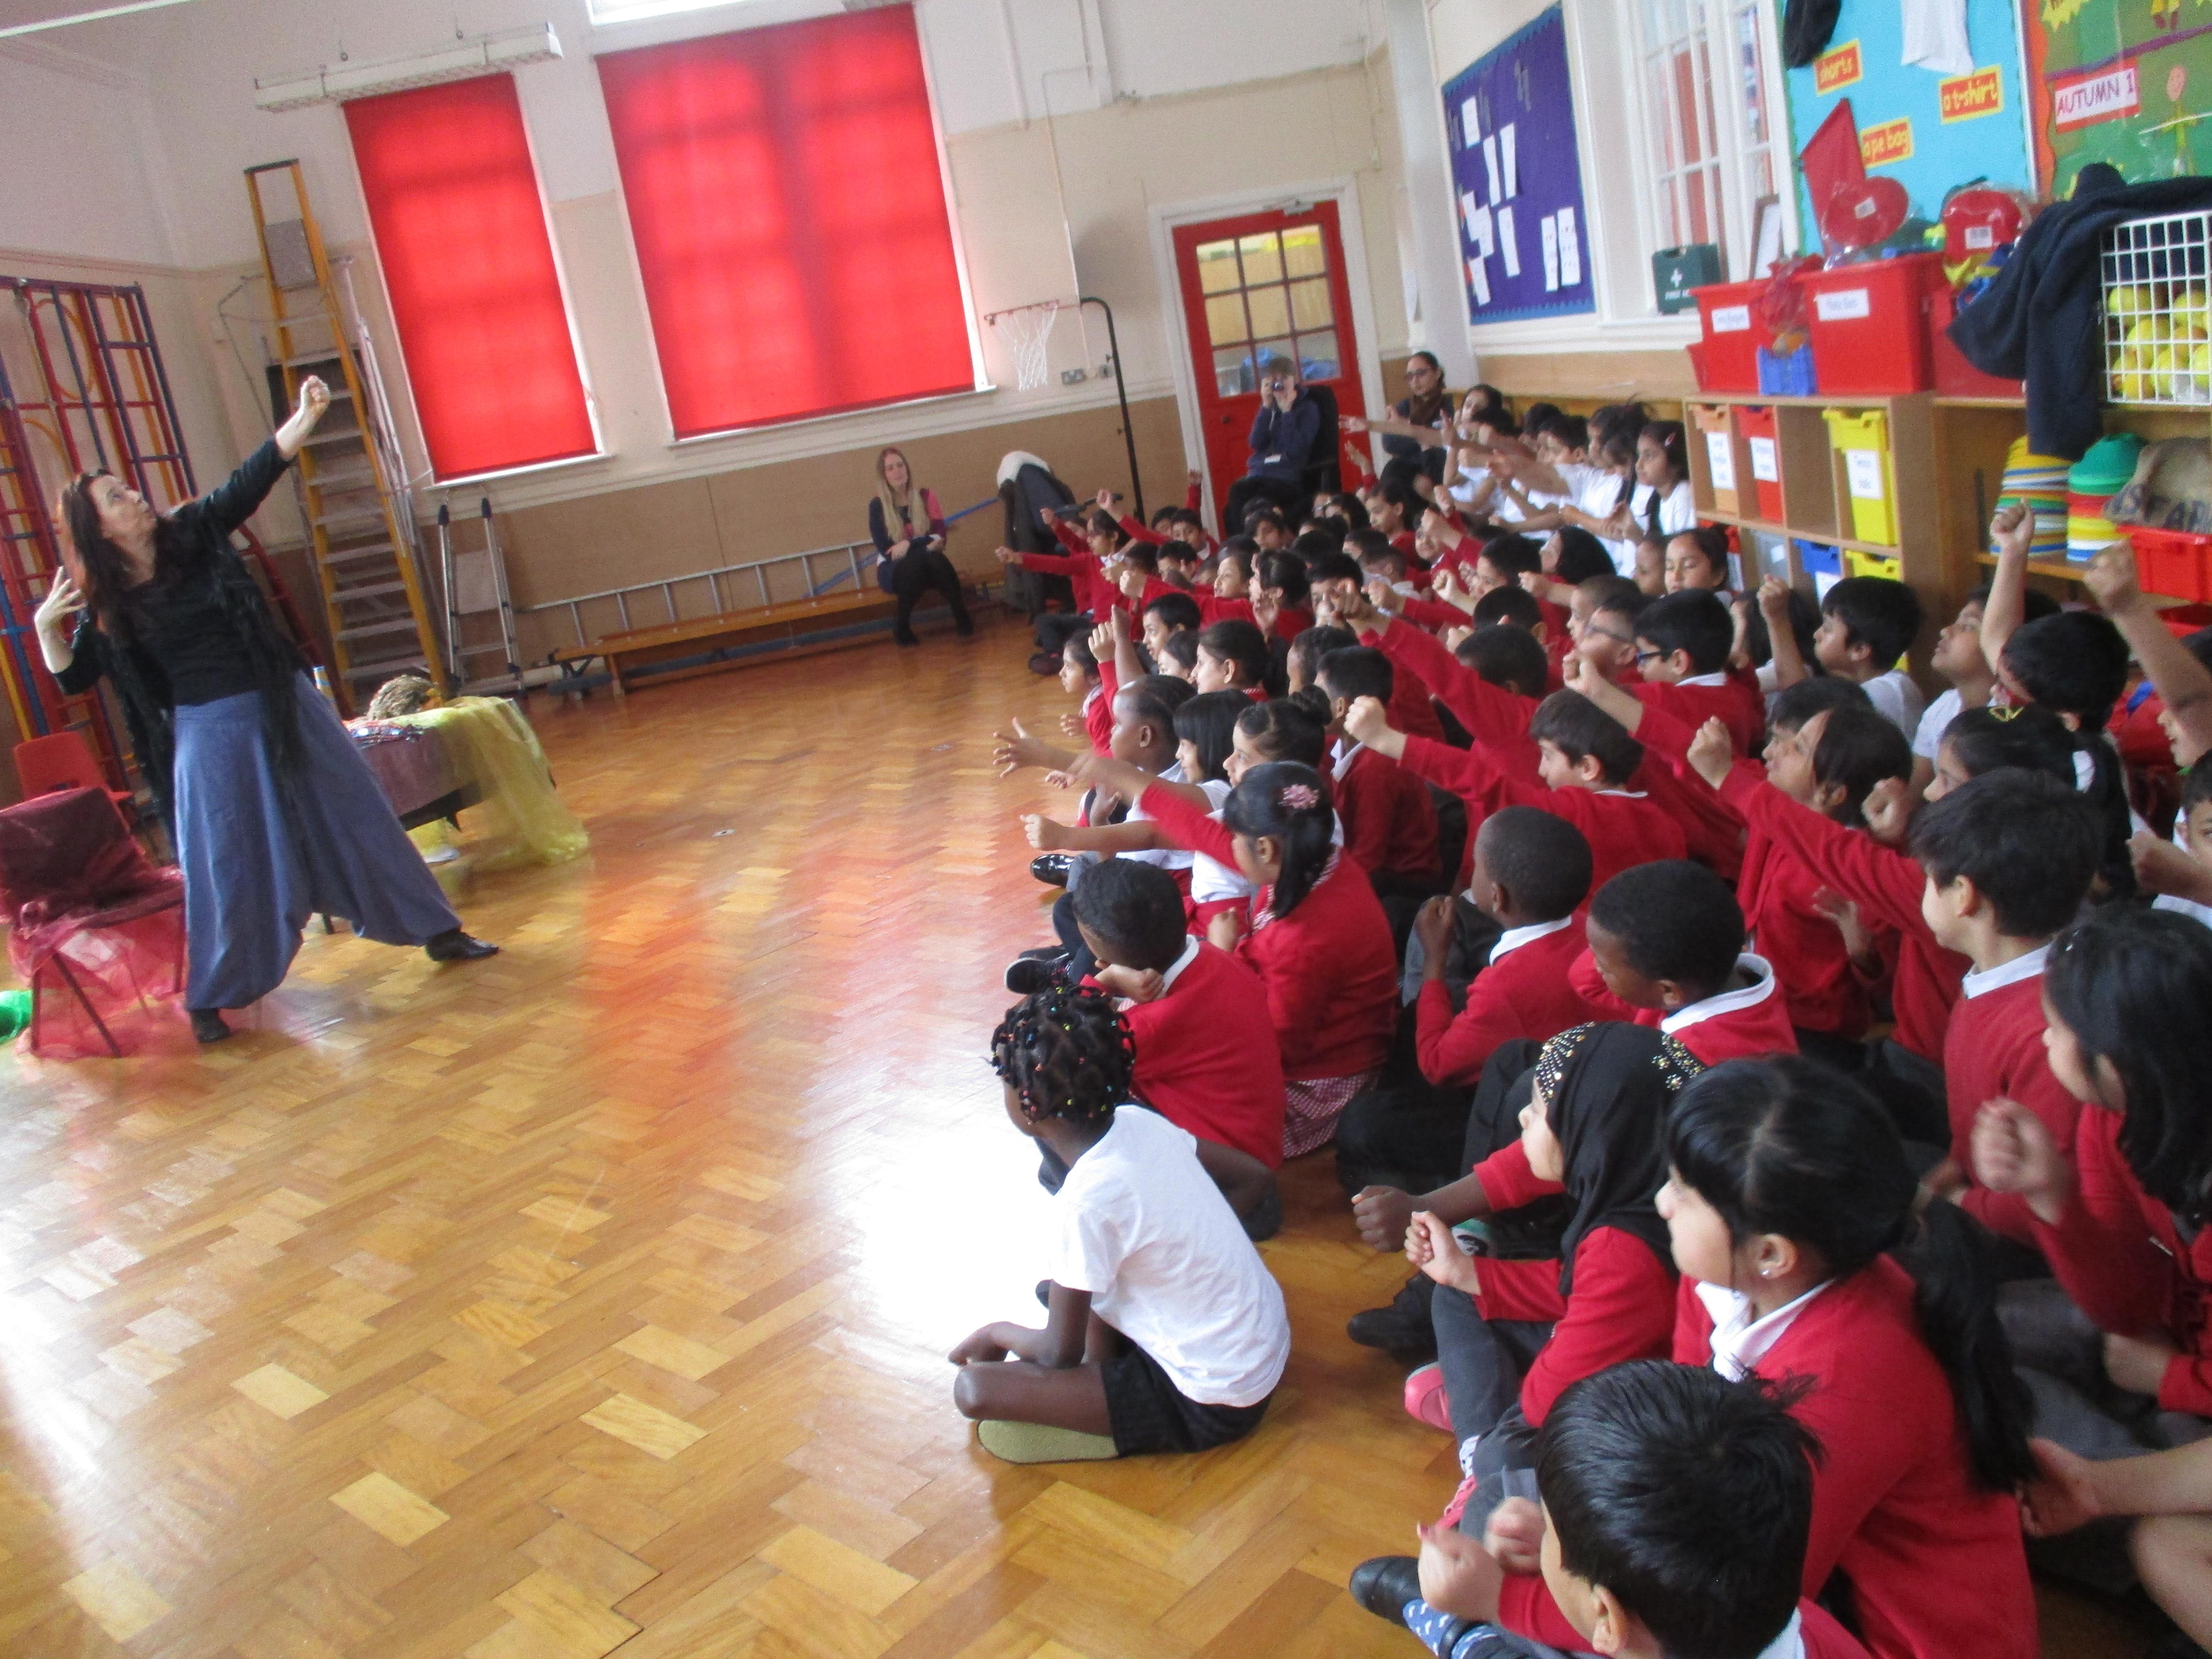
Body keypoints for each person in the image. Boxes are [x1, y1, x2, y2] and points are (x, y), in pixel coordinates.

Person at [41, 376, 495, 1046]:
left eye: (126, 487)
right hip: (209, 732)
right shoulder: (109, 602)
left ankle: (439, 931)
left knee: (357, 814)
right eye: (115, 497)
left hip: (285, 705)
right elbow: (75, 677)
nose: (133, 494)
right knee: (225, 859)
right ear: (97, 529)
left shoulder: (193, 532)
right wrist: (46, 629)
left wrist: (303, 420)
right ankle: (215, 992)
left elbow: (246, 486)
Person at [1971, 909, 2212, 1593]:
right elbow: (2124, 1308)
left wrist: (2171, 1379)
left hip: (2184, 1366)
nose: (2044, 1036)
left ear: (2117, 1060)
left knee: (1992, 1398)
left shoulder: (1689, 1062)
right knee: (1977, 1333)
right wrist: (2051, 1195)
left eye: (2056, 1026)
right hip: (2173, 1340)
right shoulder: (2117, 1119)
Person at [948, 985, 1288, 1463]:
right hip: (1262, 1343)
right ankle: (1103, 1370)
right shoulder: (1139, 1121)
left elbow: (1057, 1355)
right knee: (1070, 1286)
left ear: (1028, 1104)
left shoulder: (1085, 1203)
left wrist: (996, 1333)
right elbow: (1256, 1176)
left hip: (1214, 1401)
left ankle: (1112, 1411)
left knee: (974, 1390)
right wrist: (1190, 1250)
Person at [1352, 1361, 1874, 1659]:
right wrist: (1563, 1544)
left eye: (1551, 1530)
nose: (1541, 1526)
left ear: (1605, 1617)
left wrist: (1494, 1600)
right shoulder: (1794, 1621)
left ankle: (1467, 1640)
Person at [1405, 1022, 1686, 1533]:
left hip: (1626, 1405)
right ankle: (1481, 1437)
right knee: (1454, 1291)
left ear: (1588, 1132)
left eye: (1536, 1112)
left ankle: (1480, 1457)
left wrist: (1504, 1425)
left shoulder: (1627, 1248)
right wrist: (1466, 1272)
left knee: (1501, 1462)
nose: (1522, 1118)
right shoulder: (1636, 1184)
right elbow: (1579, 1290)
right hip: (1595, 1351)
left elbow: (1544, 1401)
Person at [867, 446, 972, 647]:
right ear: (884, 476)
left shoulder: (926, 496)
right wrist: (925, 544)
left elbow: (940, 538)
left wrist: (909, 543)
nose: (897, 471)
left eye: (900, 465)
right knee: (920, 563)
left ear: (907, 468)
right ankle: (902, 626)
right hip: (894, 568)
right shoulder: (877, 506)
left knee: (936, 560)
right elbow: (887, 551)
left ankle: (961, 615)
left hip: (928, 563)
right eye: (890, 468)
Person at [1225, 358, 1322, 529]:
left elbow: (1295, 449)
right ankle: (1243, 540)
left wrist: (1287, 412)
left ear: (1295, 379)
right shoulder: (1271, 408)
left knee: (1262, 500)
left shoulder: (1309, 408)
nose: (1280, 385)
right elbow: (1255, 442)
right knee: (1238, 492)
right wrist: (1266, 407)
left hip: (1286, 475)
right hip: (1260, 472)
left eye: (1284, 379)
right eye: (1275, 381)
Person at [1345, 352, 1454, 496]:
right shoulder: (1405, 407)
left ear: (1437, 373)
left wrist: (1407, 428)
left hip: (1439, 467)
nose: (1415, 381)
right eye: (1410, 376)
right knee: (1393, 469)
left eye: (1421, 374)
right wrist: (1423, 441)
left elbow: (1445, 443)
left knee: (1398, 473)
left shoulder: (1449, 405)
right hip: (1410, 468)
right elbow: (1389, 443)